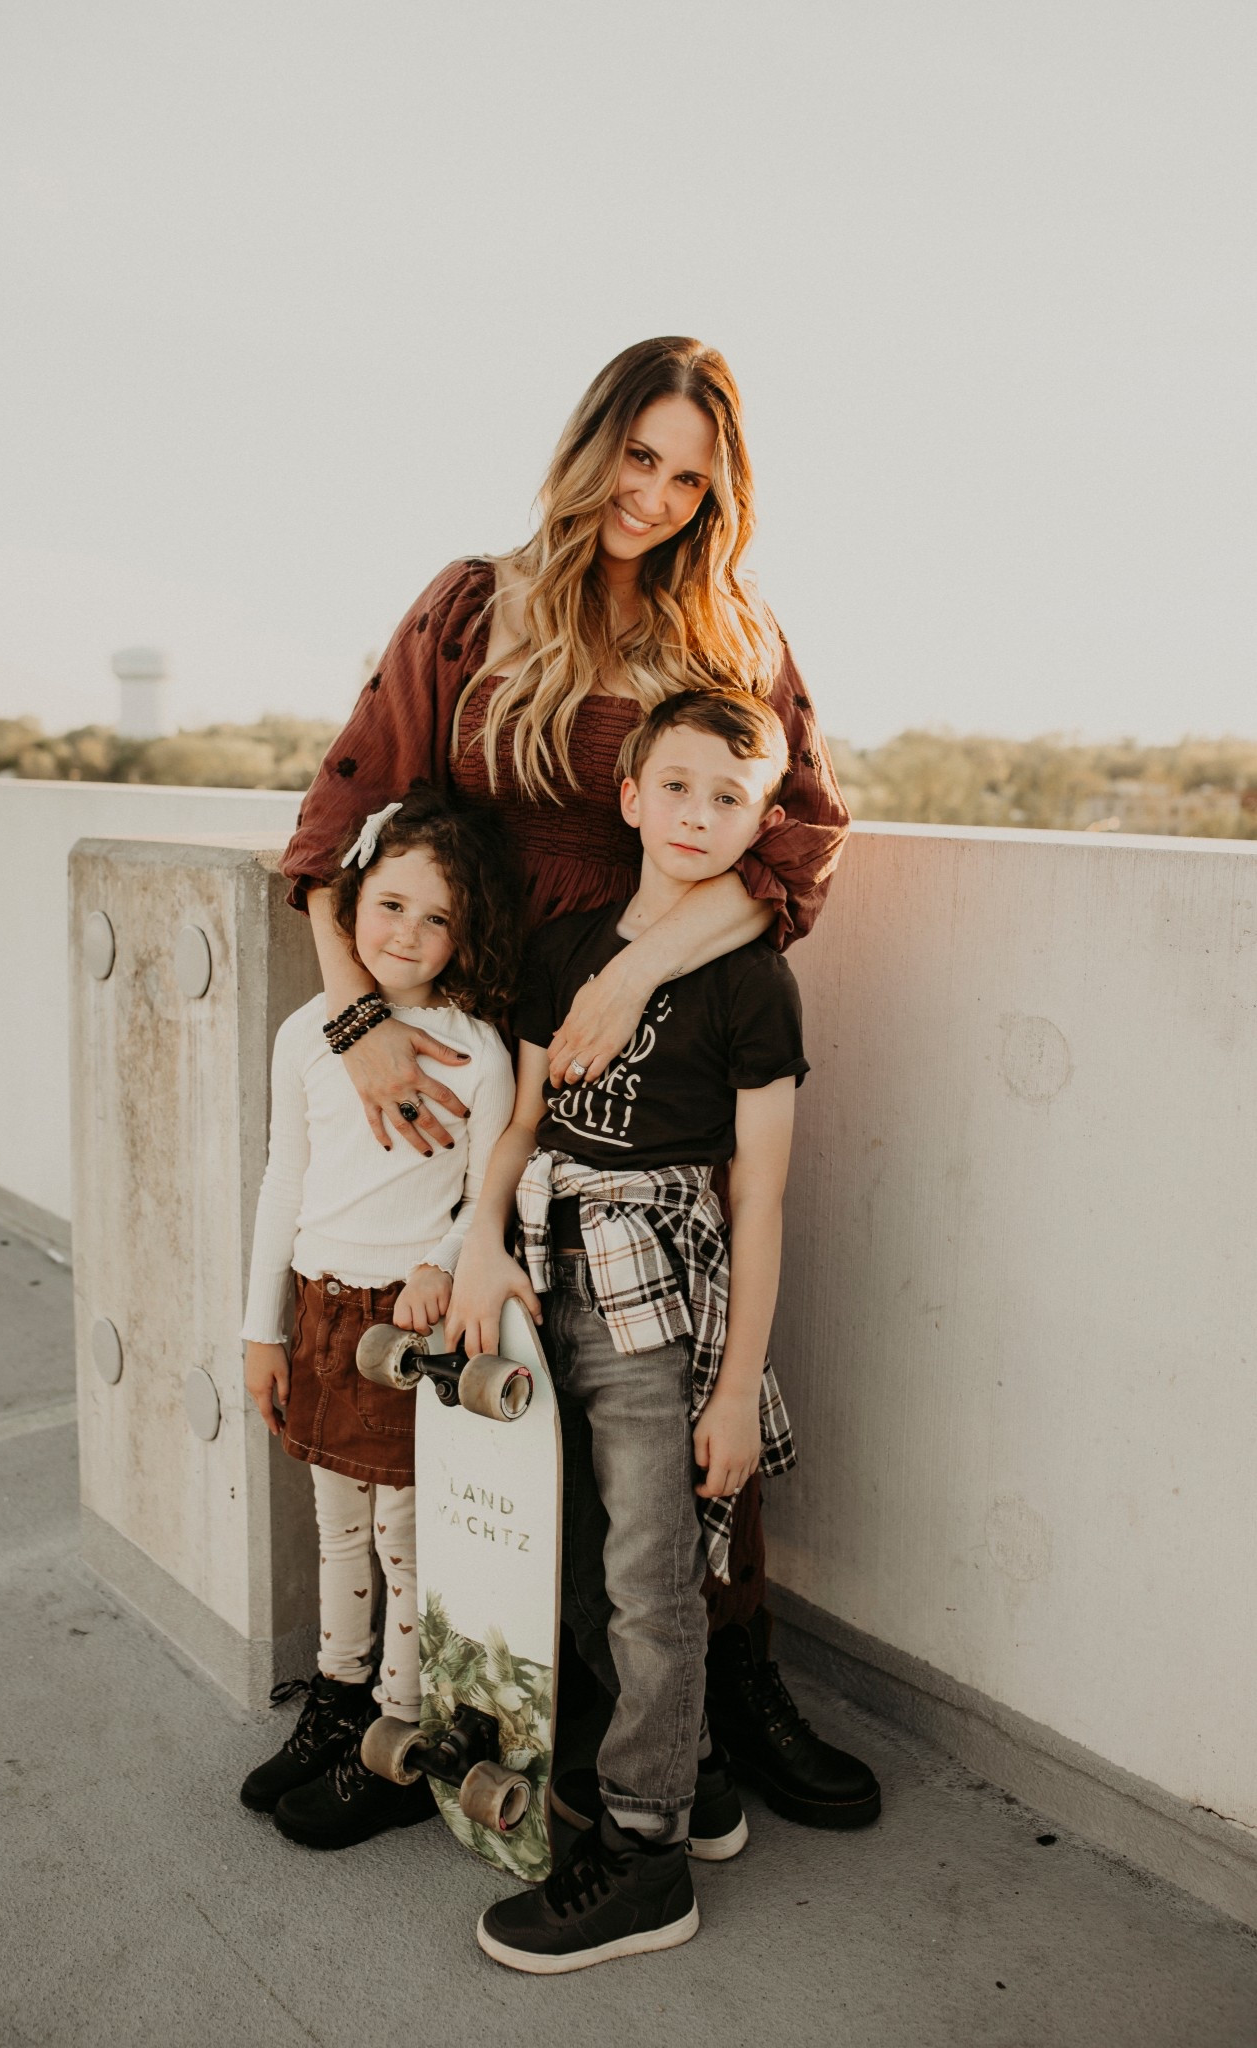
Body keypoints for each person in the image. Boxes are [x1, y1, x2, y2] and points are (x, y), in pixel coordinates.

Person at [278, 336, 879, 1829]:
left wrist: (630, 973)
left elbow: (799, 848)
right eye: (638, 458)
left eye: (690, 477)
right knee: (436, 1357)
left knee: (675, 1378)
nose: (656, 498)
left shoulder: (736, 631)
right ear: (590, 441)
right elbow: (336, 826)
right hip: (486, 1049)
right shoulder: (471, 604)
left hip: (660, 1056)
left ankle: (727, 1680)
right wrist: (357, 1018)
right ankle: (397, 1706)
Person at [446, 689, 808, 1971]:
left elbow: (756, 1192)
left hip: (655, 1284)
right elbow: (526, 1114)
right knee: (581, 1547)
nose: (700, 814)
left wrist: (736, 1383)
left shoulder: (754, 981)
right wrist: (480, 1234)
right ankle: (691, 1776)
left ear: (762, 819)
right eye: (679, 786)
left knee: (652, 1574)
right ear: (630, 796)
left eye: (731, 796)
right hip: (546, 1263)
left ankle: (648, 1855)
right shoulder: (565, 948)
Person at [238, 787, 520, 1850]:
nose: (403, 932)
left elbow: (484, 1192)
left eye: (434, 916)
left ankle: (400, 1735)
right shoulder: (310, 1033)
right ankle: (338, 1699)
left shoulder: (478, 1051)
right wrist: (258, 1328)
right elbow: (284, 1177)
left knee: (406, 1539)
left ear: (464, 932)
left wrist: (439, 1266)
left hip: (399, 1334)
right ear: (352, 900)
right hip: (315, 1311)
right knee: (337, 1526)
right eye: (387, 904)